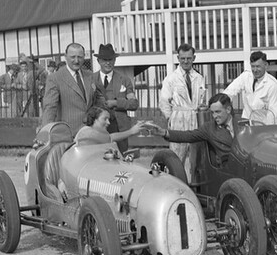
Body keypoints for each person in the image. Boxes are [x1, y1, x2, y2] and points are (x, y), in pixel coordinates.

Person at [159, 43, 206, 181]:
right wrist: (171, 118)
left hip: (195, 120)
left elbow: (202, 99)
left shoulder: (199, 77)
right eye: (183, 58)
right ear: (178, 58)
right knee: (177, 158)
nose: (186, 61)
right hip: (178, 120)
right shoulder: (171, 78)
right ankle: (174, 184)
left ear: (194, 58)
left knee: (196, 159)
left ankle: (194, 186)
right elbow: (163, 102)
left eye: (189, 58)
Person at [148, 93, 239, 164]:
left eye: (218, 112)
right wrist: (164, 132)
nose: (215, 116)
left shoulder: (242, 124)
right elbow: (188, 135)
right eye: (212, 113)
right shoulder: (209, 128)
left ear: (228, 110)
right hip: (229, 172)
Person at [41, 42, 106, 136]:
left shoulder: (90, 75)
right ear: (65, 56)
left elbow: (99, 99)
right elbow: (50, 108)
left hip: (91, 132)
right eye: (73, 57)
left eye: (80, 57)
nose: (76, 61)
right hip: (68, 135)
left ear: (84, 57)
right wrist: (45, 133)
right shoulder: (55, 78)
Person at [92, 43, 139, 153]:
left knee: (120, 158)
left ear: (114, 60)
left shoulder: (124, 80)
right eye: (104, 60)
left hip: (120, 129)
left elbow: (134, 104)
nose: (108, 63)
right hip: (98, 128)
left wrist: (116, 103)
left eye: (110, 59)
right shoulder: (91, 79)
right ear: (98, 61)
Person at [221, 50, 277, 122]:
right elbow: (230, 91)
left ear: (266, 65)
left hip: (263, 124)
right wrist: (222, 103)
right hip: (246, 121)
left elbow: (274, 112)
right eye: (253, 66)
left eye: (258, 66)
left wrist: (267, 128)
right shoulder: (245, 76)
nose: (255, 70)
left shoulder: (272, 84)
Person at [74, 106, 150, 147]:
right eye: (105, 119)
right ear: (94, 119)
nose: (108, 122)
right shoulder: (87, 132)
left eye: (109, 119)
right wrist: (131, 131)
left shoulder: (91, 132)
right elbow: (111, 138)